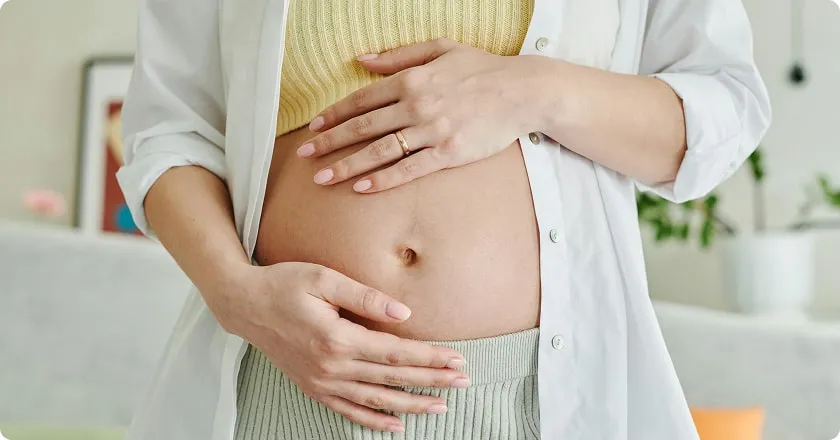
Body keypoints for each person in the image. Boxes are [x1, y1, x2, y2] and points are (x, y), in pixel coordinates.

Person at [117, 0, 771, 439]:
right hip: (289, 382)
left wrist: (534, 90)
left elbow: (723, 112)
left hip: (531, 397)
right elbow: (170, 130)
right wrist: (236, 293)